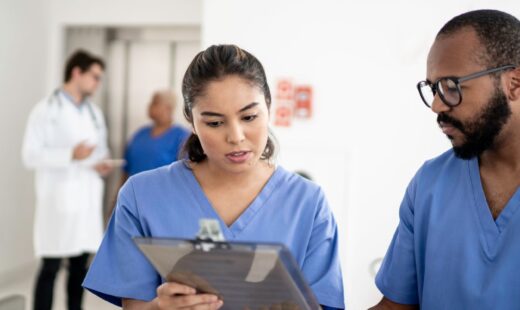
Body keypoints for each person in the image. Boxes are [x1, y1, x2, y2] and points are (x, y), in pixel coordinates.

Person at [83, 44, 345, 309]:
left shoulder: (308, 204)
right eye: (215, 123)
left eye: (250, 116)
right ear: (191, 120)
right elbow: (134, 305)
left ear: (268, 106)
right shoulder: (142, 196)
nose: (236, 136)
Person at [371, 10, 520, 310]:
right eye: (433, 89)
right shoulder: (430, 185)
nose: (437, 105)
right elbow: (395, 307)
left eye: (451, 87)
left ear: (513, 84)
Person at [22, 49, 112, 310]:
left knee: (79, 269)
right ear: (77, 72)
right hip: (58, 202)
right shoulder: (45, 110)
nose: (97, 83)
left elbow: (100, 150)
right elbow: (30, 155)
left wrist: (101, 164)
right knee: (50, 267)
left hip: (86, 202)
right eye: (95, 76)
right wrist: (69, 154)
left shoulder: (93, 113)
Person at [123, 90, 190, 179]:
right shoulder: (139, 135)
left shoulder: (181, 137)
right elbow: (126, 170)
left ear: (168, 108)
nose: (149, 106)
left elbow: (186, 174)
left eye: (155, 103)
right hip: (133, 191)